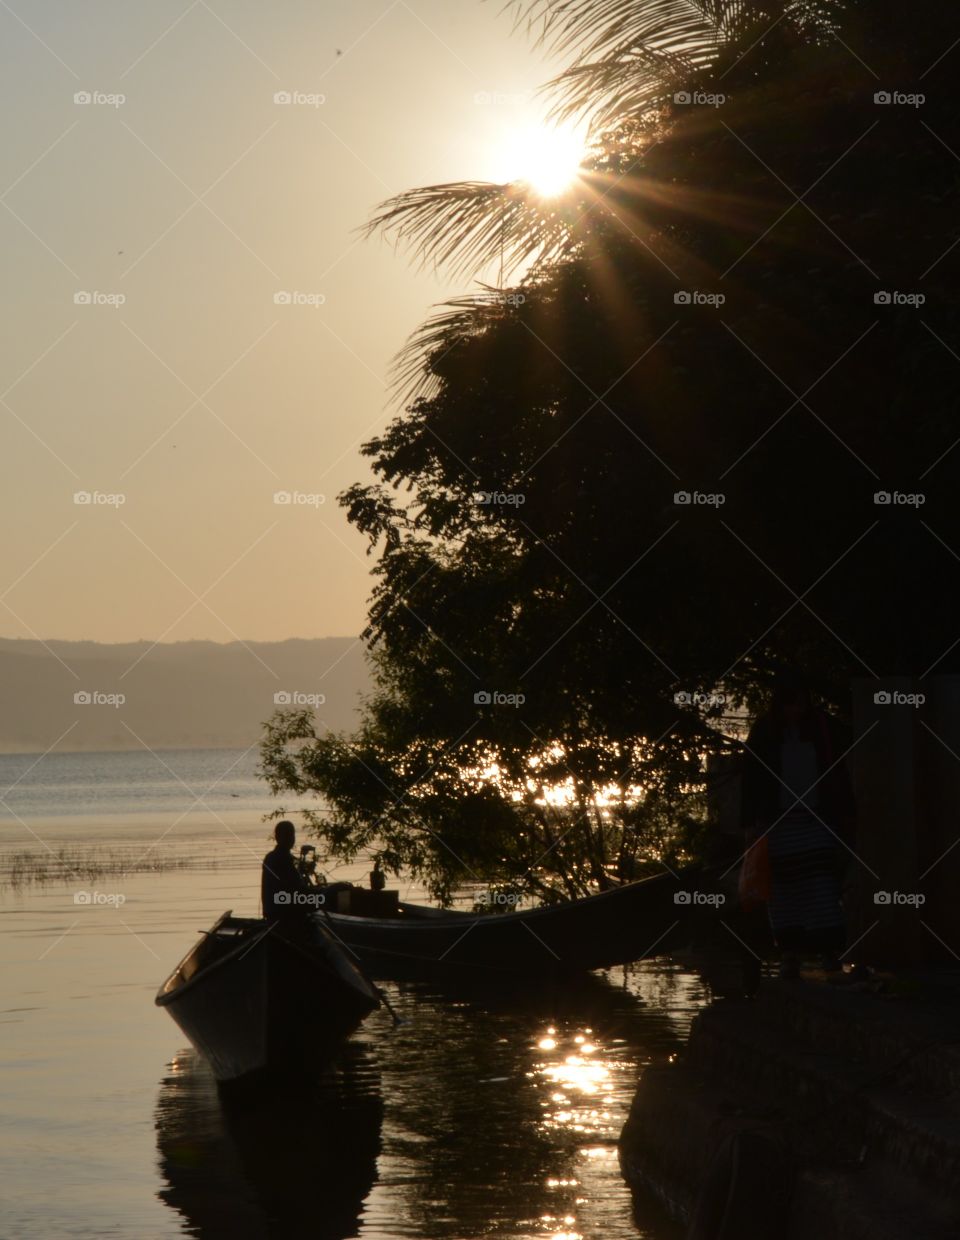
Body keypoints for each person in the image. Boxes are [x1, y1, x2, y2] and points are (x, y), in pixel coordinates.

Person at [740, 669, 856, 979]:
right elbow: (751, 781)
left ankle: (829, 951)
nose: (796, 711)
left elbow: (838, 771)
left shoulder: (822, 729)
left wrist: (844, 817)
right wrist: (752, 824)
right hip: (779, 822)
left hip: (815, 817)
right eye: (790, 704)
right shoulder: (765, 732)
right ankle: (789, 954)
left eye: (800, 704)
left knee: (822, 886)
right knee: (783, 891)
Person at [261, 820, 314, 927]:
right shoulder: (276, 859)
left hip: (281, 909)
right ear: (278, 837)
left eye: (292, 835)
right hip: (281, 913)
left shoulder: (287, 859)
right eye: (287, 835)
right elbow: (293, 888)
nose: (290, 839)